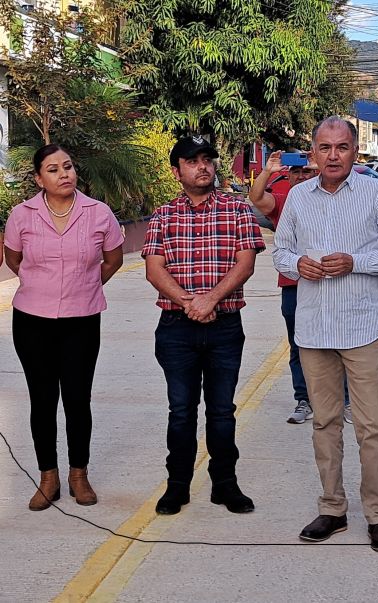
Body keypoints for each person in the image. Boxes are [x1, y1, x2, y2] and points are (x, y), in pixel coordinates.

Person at [273, 116, 378, 553]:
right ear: (312, 152)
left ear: (355, 151)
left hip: (363, 328)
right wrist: (298, 266)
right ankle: (332, 509)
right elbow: (280, 251)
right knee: (325, 423)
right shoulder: (297, 197)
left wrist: (356, 262)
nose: (333, 155)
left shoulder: (377, 193)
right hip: (313, 330)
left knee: (373, 427)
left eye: (342, 147)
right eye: (325, 147)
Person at [142, 136, 266, 515]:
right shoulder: (163, 215)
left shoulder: (237, 210)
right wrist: (188, 302)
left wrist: (210, 300)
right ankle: (177, 486)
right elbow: (154, 268)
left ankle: (225, 485)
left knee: (222, 410)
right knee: (181, 410)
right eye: (192, 161)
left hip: (225, 327)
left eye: (207, 159)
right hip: (176, 328)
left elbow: (245, 263)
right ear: (176, 170)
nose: (203, 166)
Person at [3, 144, 124, 510]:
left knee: (76, 398)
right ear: (39, 178)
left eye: (68, 167)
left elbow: (113, 259)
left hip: (82, 319)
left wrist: (81, 286)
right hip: (31, 320)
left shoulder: (98, 213)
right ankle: (48, 478)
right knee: (42, 400)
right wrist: (46, 285)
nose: (64, 174)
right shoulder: (21, 215)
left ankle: (78, 475)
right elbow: (13, 259)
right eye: (53, 169)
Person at [248, 150, 352, 426]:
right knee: (298, 345)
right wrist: (269, 169)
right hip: (294, 285)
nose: (302, 176)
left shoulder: (333, 200)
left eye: (308, 171)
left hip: (332, 283)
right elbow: (256, 198)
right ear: (289, 176)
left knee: (338, 342)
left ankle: (344, 400)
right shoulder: (283, 201)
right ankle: (303, 399)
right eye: (297, 172)